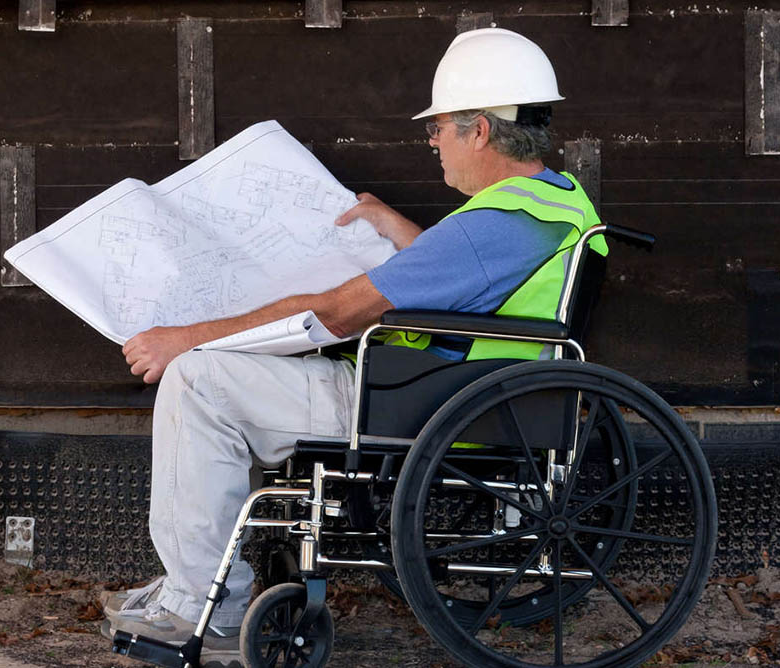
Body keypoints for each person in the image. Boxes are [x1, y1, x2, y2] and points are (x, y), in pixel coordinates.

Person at [100, 27, 606, 666]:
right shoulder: (552, 203)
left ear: (479, 130)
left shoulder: (489, 226)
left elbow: (340, 312)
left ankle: (204, 602)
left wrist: (187, 339)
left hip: (416, 404)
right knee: (229, 376)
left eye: (440, 127)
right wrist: (403, 233)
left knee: (199, 381)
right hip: (476, 395)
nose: (432, 141)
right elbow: (476, 284)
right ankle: (197, 585)